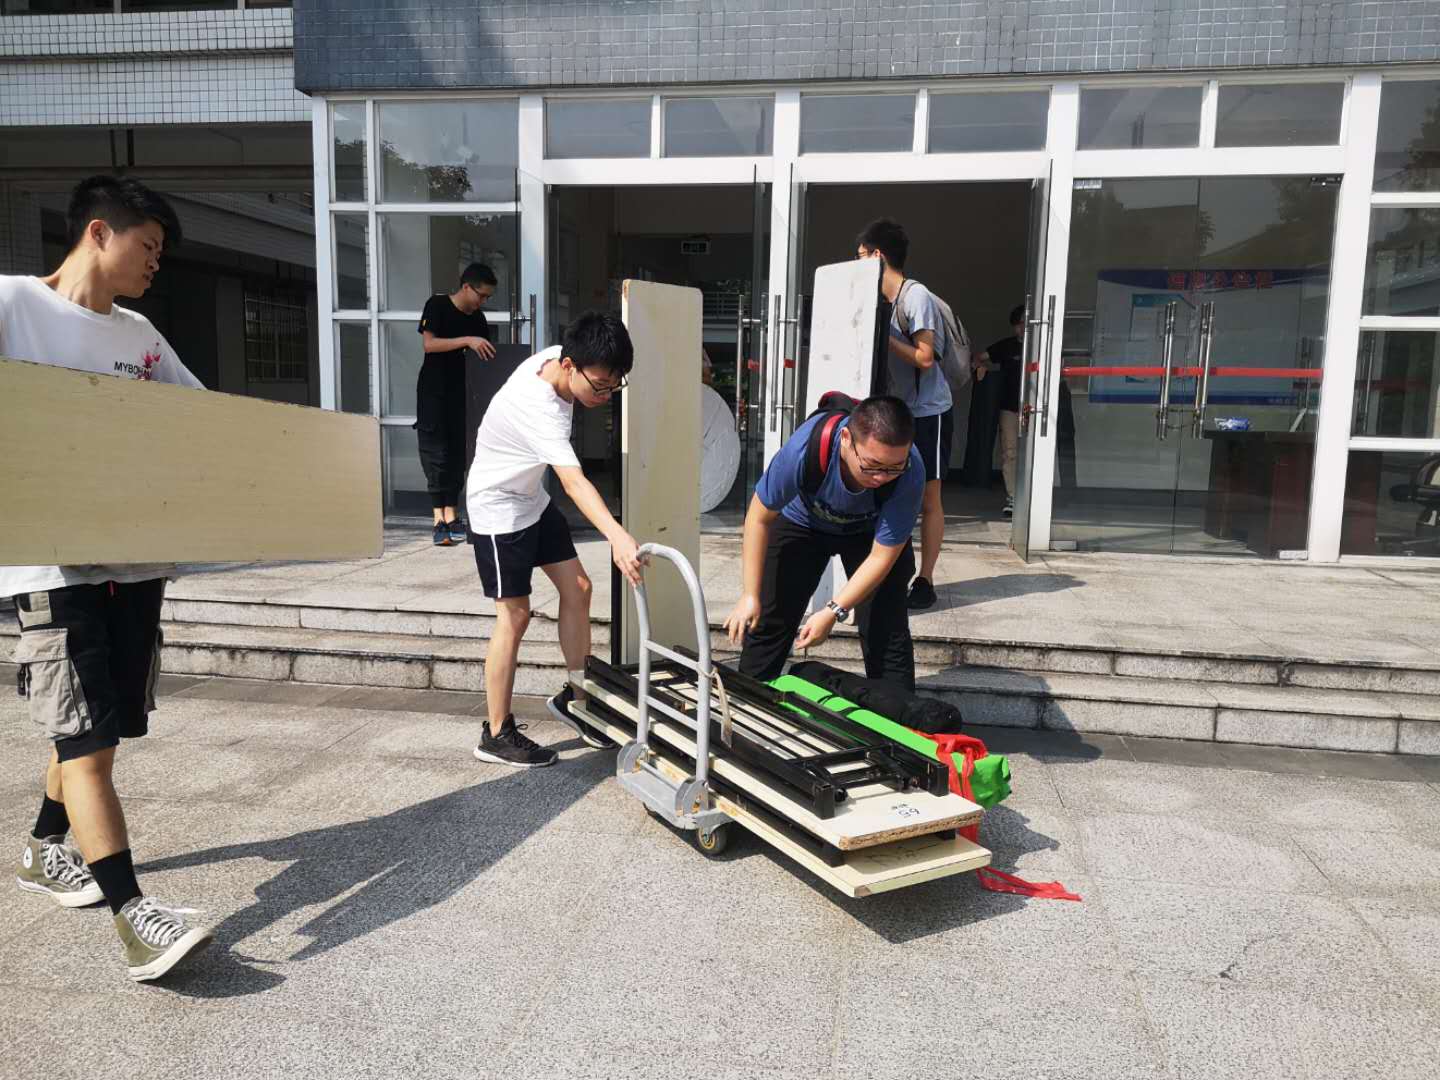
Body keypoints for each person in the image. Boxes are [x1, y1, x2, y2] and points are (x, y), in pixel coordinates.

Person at [2, 175, 212, 982]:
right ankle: (134, 918)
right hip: (51, 562)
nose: (156, 262)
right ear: (99, 231)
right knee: (87, 741)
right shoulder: (12, 305)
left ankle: (42, 847)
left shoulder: (141, 336)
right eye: (148, 245)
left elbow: (199, 419)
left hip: (134, 560)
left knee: (101, 729)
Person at [466, 311, 644, 768]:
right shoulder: (538, 407)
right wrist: (618, 537)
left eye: (613, 387)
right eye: (600, 385)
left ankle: (579, 700)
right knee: (515, 615)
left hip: (530, 499)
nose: (604, 396)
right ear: (569, 366)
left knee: (578, 588)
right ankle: (496, 733)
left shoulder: (558, 360)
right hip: (497, 509)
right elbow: (574, 483)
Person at [723, 395, 924, 692]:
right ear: (846, 439)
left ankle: (898, 711)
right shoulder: (804, 450)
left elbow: (881, 557)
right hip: (802, 522)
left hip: (868, 531)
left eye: (894, 467)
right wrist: (750, 595)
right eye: (871, 465)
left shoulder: (910, 470)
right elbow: (758, 518)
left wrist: (833, 611)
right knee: (770, 617)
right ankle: (750, 699)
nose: (882, 477)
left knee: (887, 624)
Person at [855, 219, 952, 612]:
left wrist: (884, 334)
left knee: (929, 497)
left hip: (928, 412)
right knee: (887, 491)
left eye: (861, 256)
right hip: (894, 412)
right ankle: (890, 570)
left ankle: (925, 579)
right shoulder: (876, 297)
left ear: (878, 256)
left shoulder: (915, 296)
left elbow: (925, 358)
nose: (857, 263)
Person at [417, 263, 497, 547]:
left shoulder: (479, 319)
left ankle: (452, 514)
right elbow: (429, 344)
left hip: (463, 393)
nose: (482, 301)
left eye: (487, 297)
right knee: (435, 452)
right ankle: (438, 518)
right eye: (481, 295)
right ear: (466, 287)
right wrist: (467, 340)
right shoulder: (437, 305)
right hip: (434, 391)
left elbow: (486, 357)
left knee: (458, 454)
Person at [975, 304, 1026, 518]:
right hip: (1009, 407)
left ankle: (1034, 497)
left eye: (1025, 323)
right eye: (1018, 323)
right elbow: (979, 357)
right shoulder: (1007, 346)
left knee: (1034, 452)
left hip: (1035, 408)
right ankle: (1013, 497)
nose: (1022, 327)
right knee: (1010, 452)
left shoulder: (1042, 347)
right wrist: (980, 368)